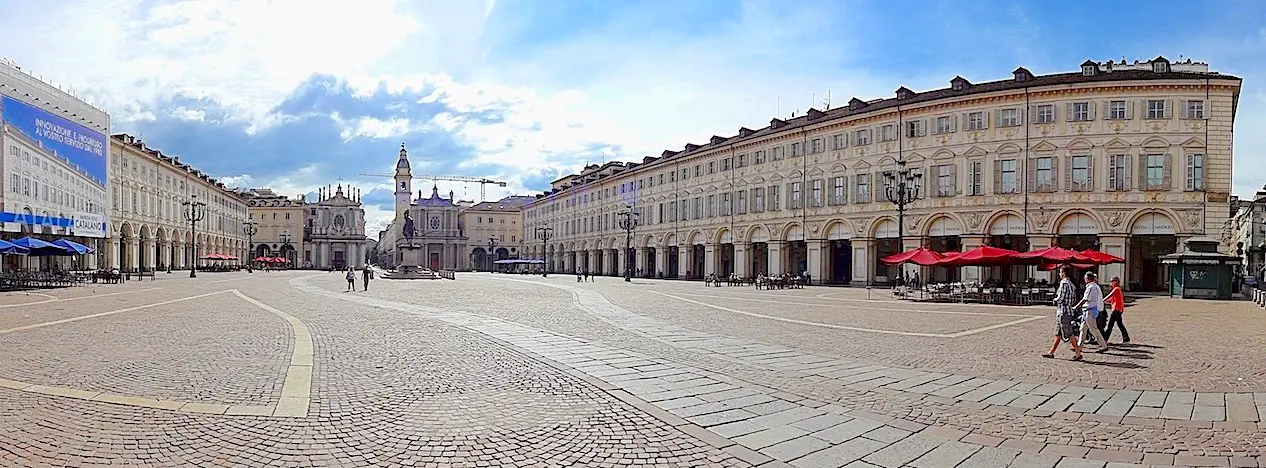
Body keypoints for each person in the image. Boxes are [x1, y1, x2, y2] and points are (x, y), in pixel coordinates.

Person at [1044, 265, 1083, 361]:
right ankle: (1051, 352)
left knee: (1069, 333)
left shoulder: (1064, 283)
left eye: (1060, 272)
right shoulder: (1071, 284)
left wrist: (1054, 299)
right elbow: (1073, 298)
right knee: (1058, 333)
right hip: (1064, 311)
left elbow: (1061, 298)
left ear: (1064, 273)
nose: (1059, 274)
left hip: (1064, 312)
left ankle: (1078, 353)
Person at [1074, 271, 1110, 353]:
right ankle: (1079, 346)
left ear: (1088, 279)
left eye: (1085, 278)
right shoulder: (1095, 286)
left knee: (1094, 329)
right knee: (1083, 329)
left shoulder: (1091, 287)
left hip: (1089, 310)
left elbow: (1085, 299)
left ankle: (1103, 345)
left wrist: (1076, 306)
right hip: (1088, 310)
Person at [1103, 276, 1130, 343]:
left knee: (1110, 325)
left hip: (1116, 309)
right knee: (1120, 324)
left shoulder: (1116, 289)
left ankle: (1105, 339)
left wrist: (1102, 300)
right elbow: (1112, 299)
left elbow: (1109, 296)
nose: (1111, 283)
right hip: (1118, 309)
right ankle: (1126, 338)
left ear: (1116, 282)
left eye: (1112, 281)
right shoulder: (1117, 289)